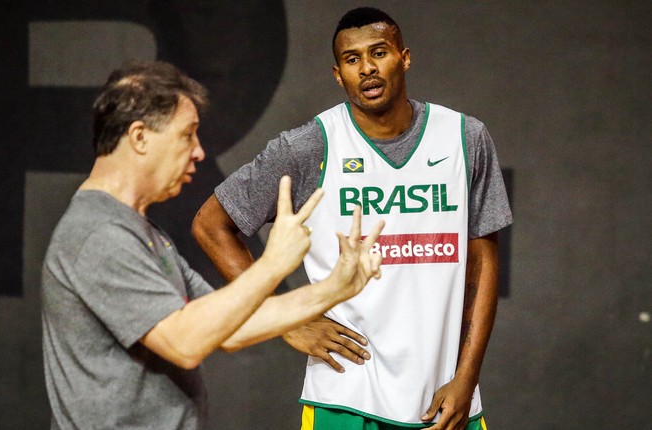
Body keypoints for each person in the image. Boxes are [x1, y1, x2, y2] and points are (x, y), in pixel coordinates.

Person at [192, 7, 513, 430]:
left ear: (405, 57)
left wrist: (467, 378)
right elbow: (211, 225)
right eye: (352, 59)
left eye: (378, 53)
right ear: (337, 74)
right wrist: (285, 319)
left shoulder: (464, 137)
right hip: (344, 396)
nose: (367, 69)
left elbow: (483, 259)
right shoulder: (309, 146)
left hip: (447, 398)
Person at [41, 59, 385, 430]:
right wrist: (272, 265)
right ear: (139, 137)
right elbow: (185, 342)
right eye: (187, 135)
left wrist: (334, 289)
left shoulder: (140, 231)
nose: (199, 152)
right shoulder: (99, 234)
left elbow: (233, 327)